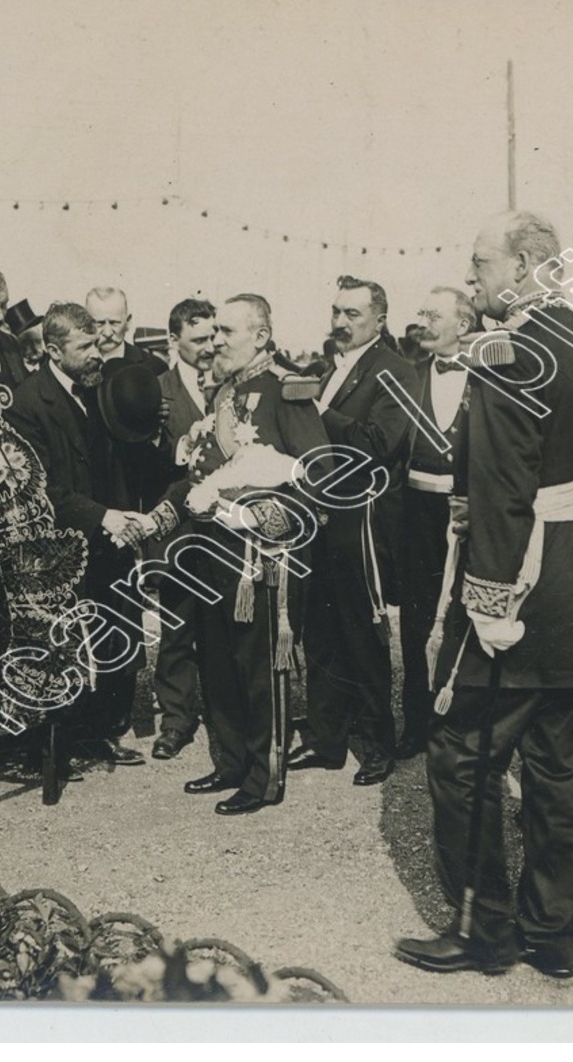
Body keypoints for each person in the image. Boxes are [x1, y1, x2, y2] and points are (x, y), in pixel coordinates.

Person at [395, 211, 573, 978]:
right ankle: (554, 935)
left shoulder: (506, 353)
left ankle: (485, 930)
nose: (474, 277)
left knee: (463, 757)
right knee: (562, 766)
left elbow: (503, 491)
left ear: (530, 265)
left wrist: (489, 600)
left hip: (523, 582)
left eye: (483, 263)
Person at [141, 293, 330, 813]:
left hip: (260, 561)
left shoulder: (285, 390)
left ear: (261, 337)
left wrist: (254, 517)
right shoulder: (224, 393)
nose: (216, 340)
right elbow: (197, 476)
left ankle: (264, 777)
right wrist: (155, 520)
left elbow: (318, 476)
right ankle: (230, 763)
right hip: (211, 555)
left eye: (226, 331)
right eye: (213, 331)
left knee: (255, 669)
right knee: (219, 666)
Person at [4, 303, 148, 767]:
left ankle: (104, 731)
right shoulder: (28, 403)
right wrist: (101, 515)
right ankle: (59, 739)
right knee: (64, 642)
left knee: (116, 632)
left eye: (98, 344)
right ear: (52, 349)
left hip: (113, 538)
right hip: (63, 544)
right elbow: (39, 486)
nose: (96, 354)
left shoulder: (100, 389)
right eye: (84, 347)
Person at [288, 275, 415, 787]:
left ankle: (378, 742)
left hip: (362, 520)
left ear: (379, 320)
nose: (341, 323)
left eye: (353, 315)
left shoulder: (396, 371)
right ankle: (326, 737)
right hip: (321, 517)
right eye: (337, 312)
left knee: (362, 634)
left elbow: (379, 443)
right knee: (320, 631)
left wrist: (320, 412)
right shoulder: (327, 368)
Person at [394, 285, 477, 760]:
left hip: (470, 515)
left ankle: (460, 721)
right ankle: (417, 723)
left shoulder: (490, 376)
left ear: (463, 325)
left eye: (433, 314)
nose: (422, 321)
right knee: (417, 616)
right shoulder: (410, 376)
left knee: (467, 614)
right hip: (418, 514)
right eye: (422, 312)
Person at [146, 297, 220, 760]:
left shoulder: (230, 385)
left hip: (223, 530)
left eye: (214, 336)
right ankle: (176, 719)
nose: (210, 346)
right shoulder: (156, 391)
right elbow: (143, 465)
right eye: (199, 339)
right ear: (174, 341)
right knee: (176, 625)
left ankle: (222, 712)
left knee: (222, 626)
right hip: (177, 530)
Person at [86, 286, 168, 374]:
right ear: (86, 323)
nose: (108, 333)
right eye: (100, 323)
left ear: (128, 322)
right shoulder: (78, 365)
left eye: (114, 323)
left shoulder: (155, 367)